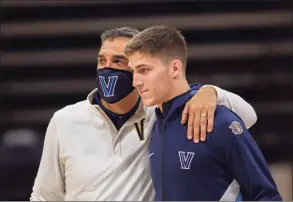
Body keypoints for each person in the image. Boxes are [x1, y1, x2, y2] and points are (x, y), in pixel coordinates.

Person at [30, 27, 257, 201]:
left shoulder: (158, 114)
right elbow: (44, 195)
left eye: (119, 61)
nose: (107, 69)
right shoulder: (65, 120)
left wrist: (211, 92)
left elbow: (249, 116)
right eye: (102, 61)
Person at [126, 25, 282, 201]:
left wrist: (212, 91)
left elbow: (267, 196)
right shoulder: (152, 126)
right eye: (133, 72)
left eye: (144, 70)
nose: (135, 82)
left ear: (175, 68)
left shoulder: (219, 121)